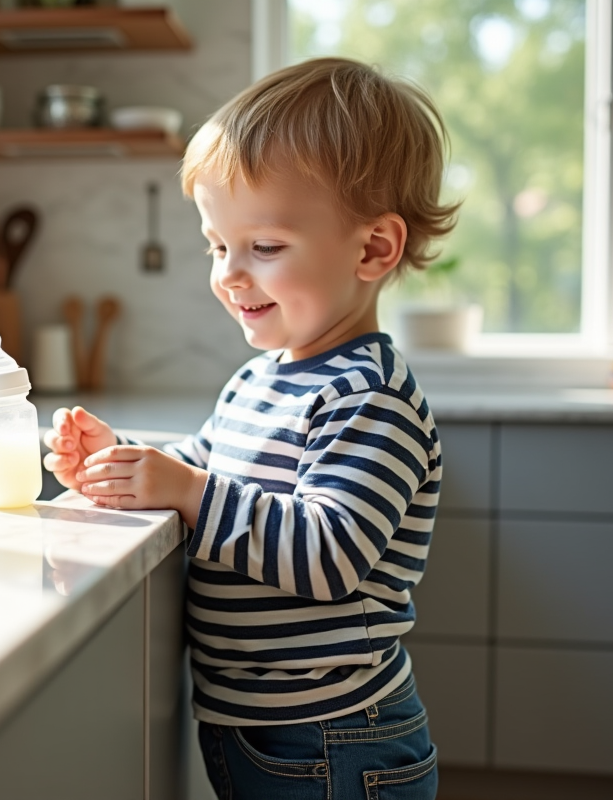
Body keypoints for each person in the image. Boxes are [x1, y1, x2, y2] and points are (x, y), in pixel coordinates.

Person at [43, 57, 457, 800]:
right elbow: (206, 464)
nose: (230, 273)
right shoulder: (259, 380)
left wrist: (187, 488)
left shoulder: (369, 398)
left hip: (336, 734)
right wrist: (125, 462)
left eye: (264, 247)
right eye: (217, 244)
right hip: (263, 726)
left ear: (373, 250)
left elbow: (330, 555)